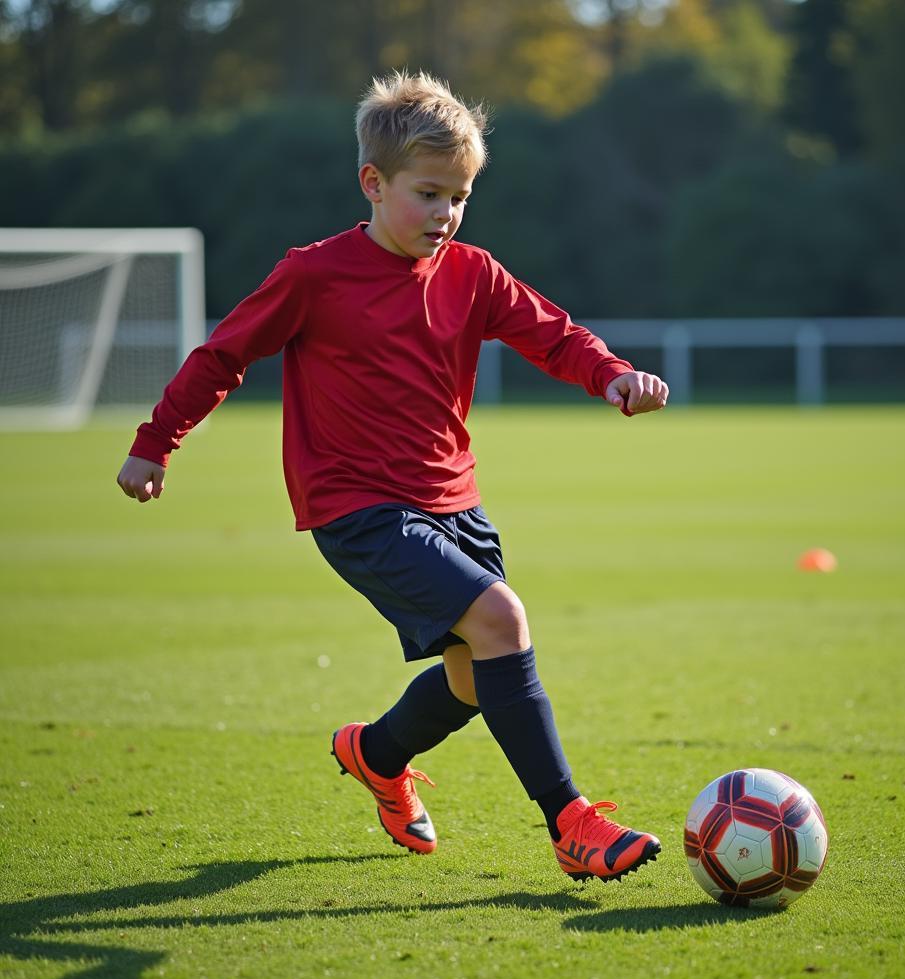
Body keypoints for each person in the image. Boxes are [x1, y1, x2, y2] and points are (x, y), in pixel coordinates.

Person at [117, 71, 669, 883]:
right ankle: (570, 823)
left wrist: (612, 375)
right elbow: (223, 354)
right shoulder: (314, 275)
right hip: (357, 507)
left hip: (456, 501)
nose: (445, 215)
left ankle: (375, 754)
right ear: (373, 184)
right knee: (502, 622)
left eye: (459, 197)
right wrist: (154, 442)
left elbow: (553, 334)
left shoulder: (472, 274)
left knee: (474, 676)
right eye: (428, 194)